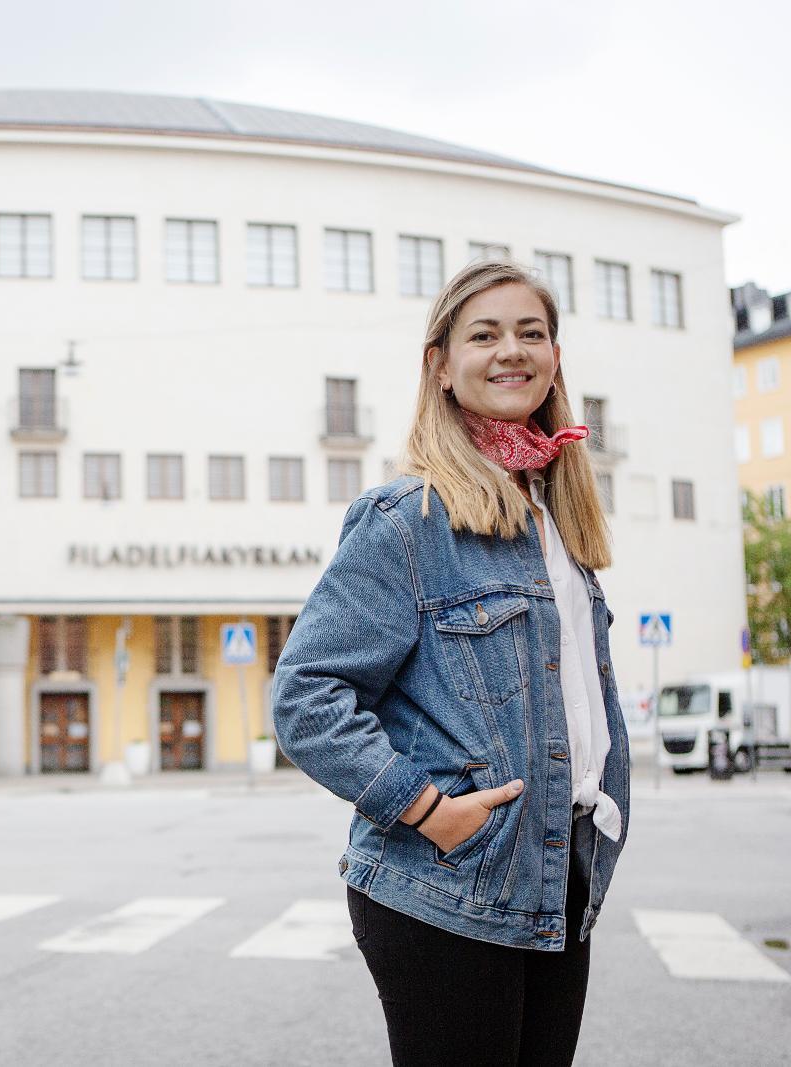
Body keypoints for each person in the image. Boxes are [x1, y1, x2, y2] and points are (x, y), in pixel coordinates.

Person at [273, 258, 629, 1066]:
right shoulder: (410, 518)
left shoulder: (556, 520)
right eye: (485, 333)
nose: (513, 350)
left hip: (555, 875)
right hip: (446, 886)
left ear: (555, 359)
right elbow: (306, 696)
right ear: (440, 365)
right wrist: (427, 808)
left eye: (531, 332)